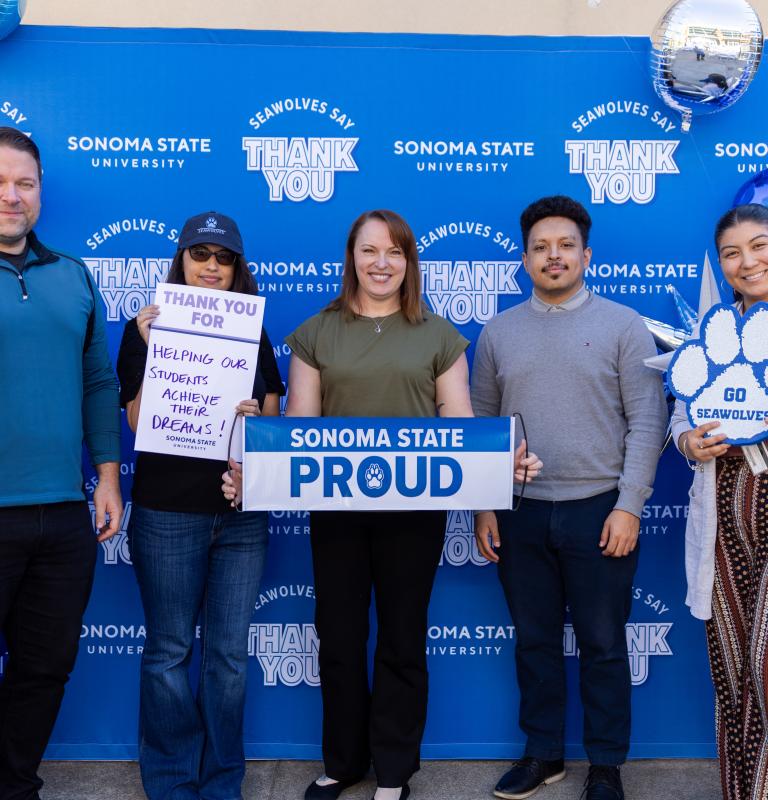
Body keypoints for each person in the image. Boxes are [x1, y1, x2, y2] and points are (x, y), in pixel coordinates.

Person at [263, 208, 539, 800]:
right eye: (369, 251)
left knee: (402, 636)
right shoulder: (316, 333)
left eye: (394, 252)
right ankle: (343, 762)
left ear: (409, 261)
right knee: (338, 636)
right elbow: (298, 427)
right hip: (334, 510)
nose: (381, 263)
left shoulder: (438, 335)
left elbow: (459, 425)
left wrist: (499, 469)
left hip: (414, 514)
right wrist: (253, 456)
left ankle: (393, 770)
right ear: (352, 258)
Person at [471, 195, 667, 800]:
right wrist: (483, 503)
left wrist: (629, 506)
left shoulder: (624, 326)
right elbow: (482, 425)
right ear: (524, 259)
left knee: (603, 644)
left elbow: (647, 421)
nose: (552, 256)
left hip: (599, 509)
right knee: (534, 642)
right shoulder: (498, 331)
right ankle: (543, 754)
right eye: (539, 247)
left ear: (586, 255)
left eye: (564, 246)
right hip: (520, 512)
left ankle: (606, 765)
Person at [116, 211, 284, 800]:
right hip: (167, 511)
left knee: (229, 657)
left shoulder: (252, 331)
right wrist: (154, 349)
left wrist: (254, 420)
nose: (212, 266)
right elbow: (137, 420)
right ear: (182, 260)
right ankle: (171, 783)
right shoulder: (145, 328)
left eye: (224, 257)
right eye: (200, 254)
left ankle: (221, 782)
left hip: (241, 514)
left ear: (237, 268)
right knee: (169, 652)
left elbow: (272, 419)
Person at [0, 127, 122, 800]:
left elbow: (98, 383)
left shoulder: (73, 275)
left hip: (62, 514)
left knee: (45, 667)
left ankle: (15, 784)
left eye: (24, 182)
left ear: (41, 191)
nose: (11, 196)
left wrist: (107, 475)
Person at [671, 203, 768, 800]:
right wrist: (689, 440)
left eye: (759, 246)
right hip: (725, 512)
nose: (746, 262)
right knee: (733, 667)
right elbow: (684, 407)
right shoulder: (714, 331)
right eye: (732, 253)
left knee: (765, 661)